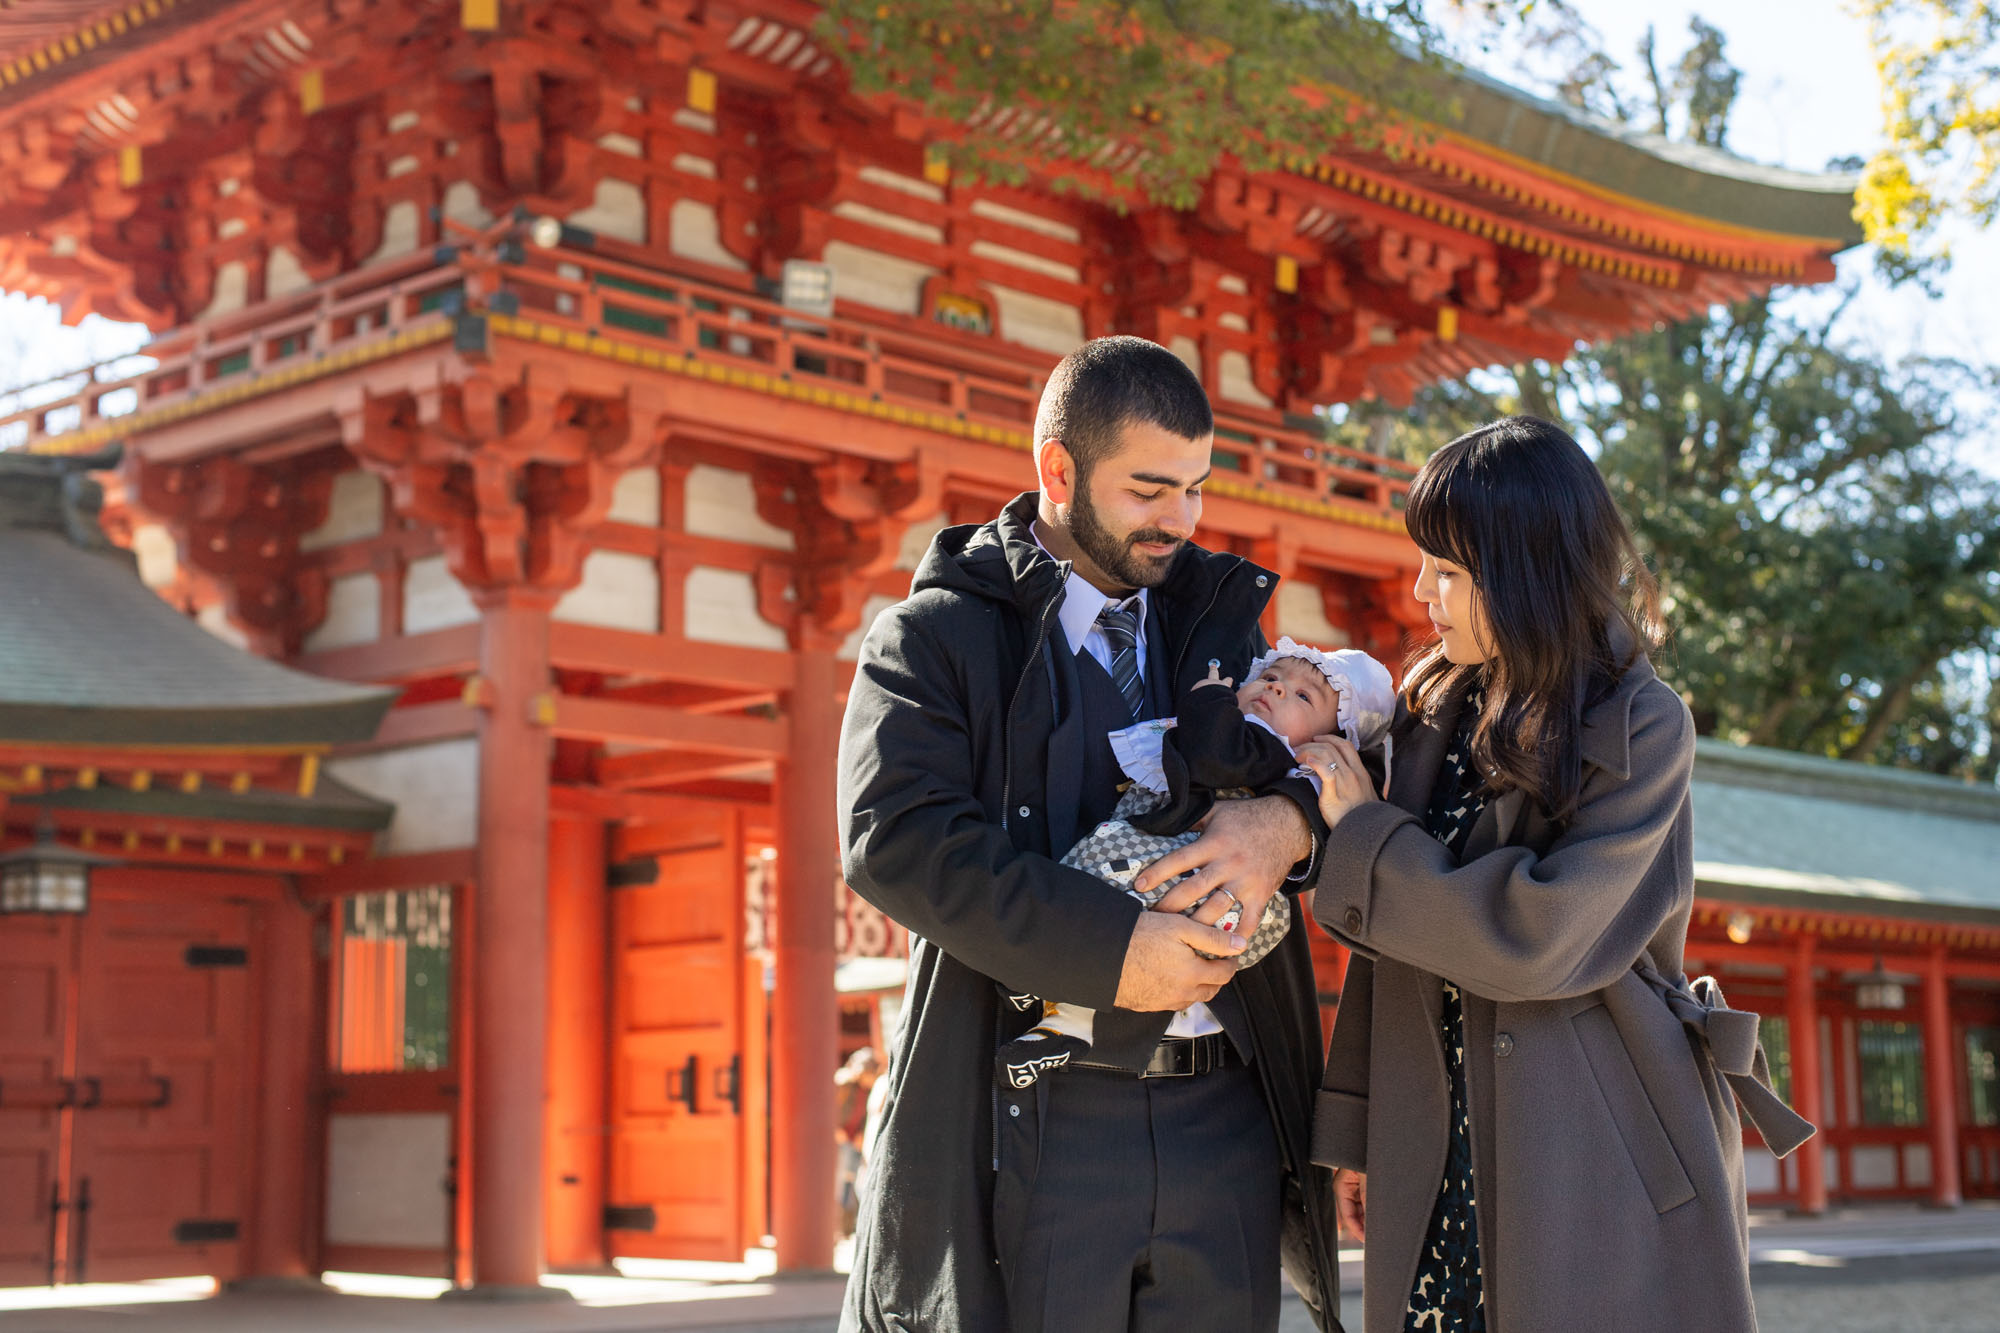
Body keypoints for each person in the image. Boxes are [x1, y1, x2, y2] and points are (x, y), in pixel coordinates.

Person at [1149, 415, 1809, 1332]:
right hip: (1434, 1129)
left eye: (1448, 572)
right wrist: (1361, 1136)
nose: (1422, 591)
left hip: (1594, 1136)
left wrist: (1369, 832)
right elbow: (1379, 937)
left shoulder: (1644, 725)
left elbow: (1538, 938)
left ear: (1526, 571)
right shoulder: (1428, 703)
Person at [837, 336, 1344, 1333]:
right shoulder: (934, 637)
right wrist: (1116, 953)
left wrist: (1283, 824)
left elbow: (1333, 779)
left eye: (1196, 488)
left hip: (1228, 1119)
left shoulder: (1219, 627)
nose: (1182, 521)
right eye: (1149, 489)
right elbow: (894, 839)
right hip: (1040, 1114)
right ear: (1056, 470)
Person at [997, 640, 1395, 1089]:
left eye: (1305, 697)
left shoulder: (1264, 751)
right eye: (1271, 677)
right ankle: (1064, 1009)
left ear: (1327, 742)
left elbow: (1213, 752)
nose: (1279, 689)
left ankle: (1058, 991)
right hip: (1171, 862)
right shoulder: (1255, 741)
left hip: (1179, 866)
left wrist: (1209, 697)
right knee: (1099, 886)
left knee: (1102, 877)